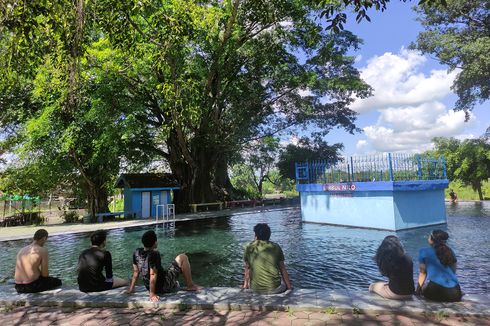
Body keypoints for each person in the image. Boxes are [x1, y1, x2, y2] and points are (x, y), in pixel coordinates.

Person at [127, 230, 199, 301]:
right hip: (163, 286)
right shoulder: (154, 254)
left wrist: (131, 288)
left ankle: (175, 284)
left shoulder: (136, 253)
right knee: (183, 257)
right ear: (154, 242)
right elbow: (153, 274)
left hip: (149, 287)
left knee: (168, 271)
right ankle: (190, 286)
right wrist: (152, 294)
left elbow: (136, 272)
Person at [242, 223, 292, 294]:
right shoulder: (276, 247)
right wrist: (289, 288)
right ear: (269, 235)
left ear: (256, 235)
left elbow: (247, 268)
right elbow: (282, 268)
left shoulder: (249, 247)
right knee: (283, 282)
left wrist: (245, 286)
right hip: (274, 289)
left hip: (255, 289)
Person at [417, 230, 462, 302]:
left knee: (425, 288)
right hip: (456, 293)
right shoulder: (450, 251)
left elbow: (422, 273)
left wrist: (417, 291)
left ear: (432, 240)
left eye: (429, 236)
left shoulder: (423, 251)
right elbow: (453, 271)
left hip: (437, 291)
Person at [14, 229, 62, 293]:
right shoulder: (42, 250)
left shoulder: (22, 250)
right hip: (31, 286)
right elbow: (45, 275)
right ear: (44, 238)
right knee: (58, 282)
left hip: (18, 287)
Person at [369, 236, 414, 300]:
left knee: (372, 286)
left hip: (395, 294)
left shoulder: (390, 260)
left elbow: (384, 273)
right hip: (410, 293)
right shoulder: (408, 257)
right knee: (385, 284)